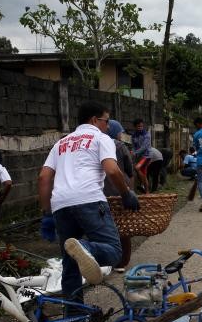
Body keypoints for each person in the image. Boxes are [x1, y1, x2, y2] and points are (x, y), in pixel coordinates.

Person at [38, 101, 139, 297]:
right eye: (106, 121)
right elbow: (111, 169)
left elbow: (43, 178)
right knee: (115, 252)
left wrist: (47, 214)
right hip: (89, 200)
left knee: (70, 264)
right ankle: (84, 247)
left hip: (61, 205)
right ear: (94, 120)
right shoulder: (100, 138)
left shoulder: (61, 143)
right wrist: (126, 193)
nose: (108, 126)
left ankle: (75, 320)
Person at [103, 119, 135, 273]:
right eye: (120, 132)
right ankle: (122, 262)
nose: (122, 135)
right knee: (123, 228)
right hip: (120, 191)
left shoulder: (96, 143)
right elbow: (129, 169)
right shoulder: (119, 145)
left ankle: (105, 261)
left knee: (104, 226)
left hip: (101, 192)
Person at [131, 118, 151, 191]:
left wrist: (135, 153)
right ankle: (147, 192)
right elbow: (133, 146)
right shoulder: (133, 135)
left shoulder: (146, 134)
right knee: (143, 174)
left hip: (146, 156)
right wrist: (133, 151)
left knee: (137, 168)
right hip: (139, 157)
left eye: (141, 126)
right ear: (135, 127)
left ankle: (143, 185)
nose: (140, 128)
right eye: (138, 126)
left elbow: (144, 147)